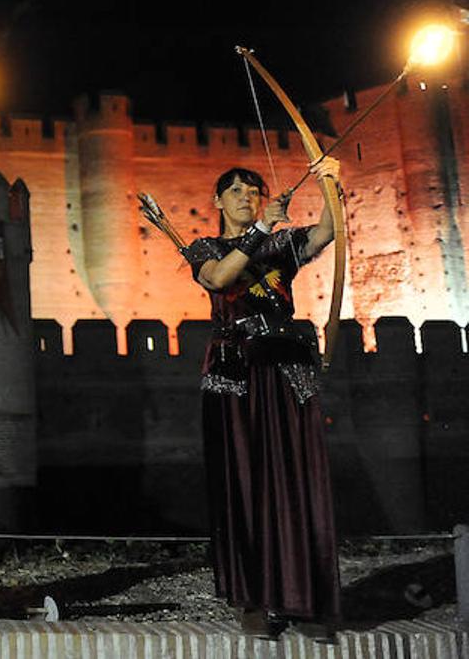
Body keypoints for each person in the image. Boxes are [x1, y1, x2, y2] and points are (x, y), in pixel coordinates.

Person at [183, 157, 342, 638]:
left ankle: (306, 601)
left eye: (252, 190)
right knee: (245, 485)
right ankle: (254, 599)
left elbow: (324, 234)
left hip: (285, 369)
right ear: (218, 201)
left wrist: (330, 180)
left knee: (297, 481)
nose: (245, 197)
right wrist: (260, 231)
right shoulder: (205, 246)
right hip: (234, 372)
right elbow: (218, 278)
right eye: (234, 190)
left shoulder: (280, 245)